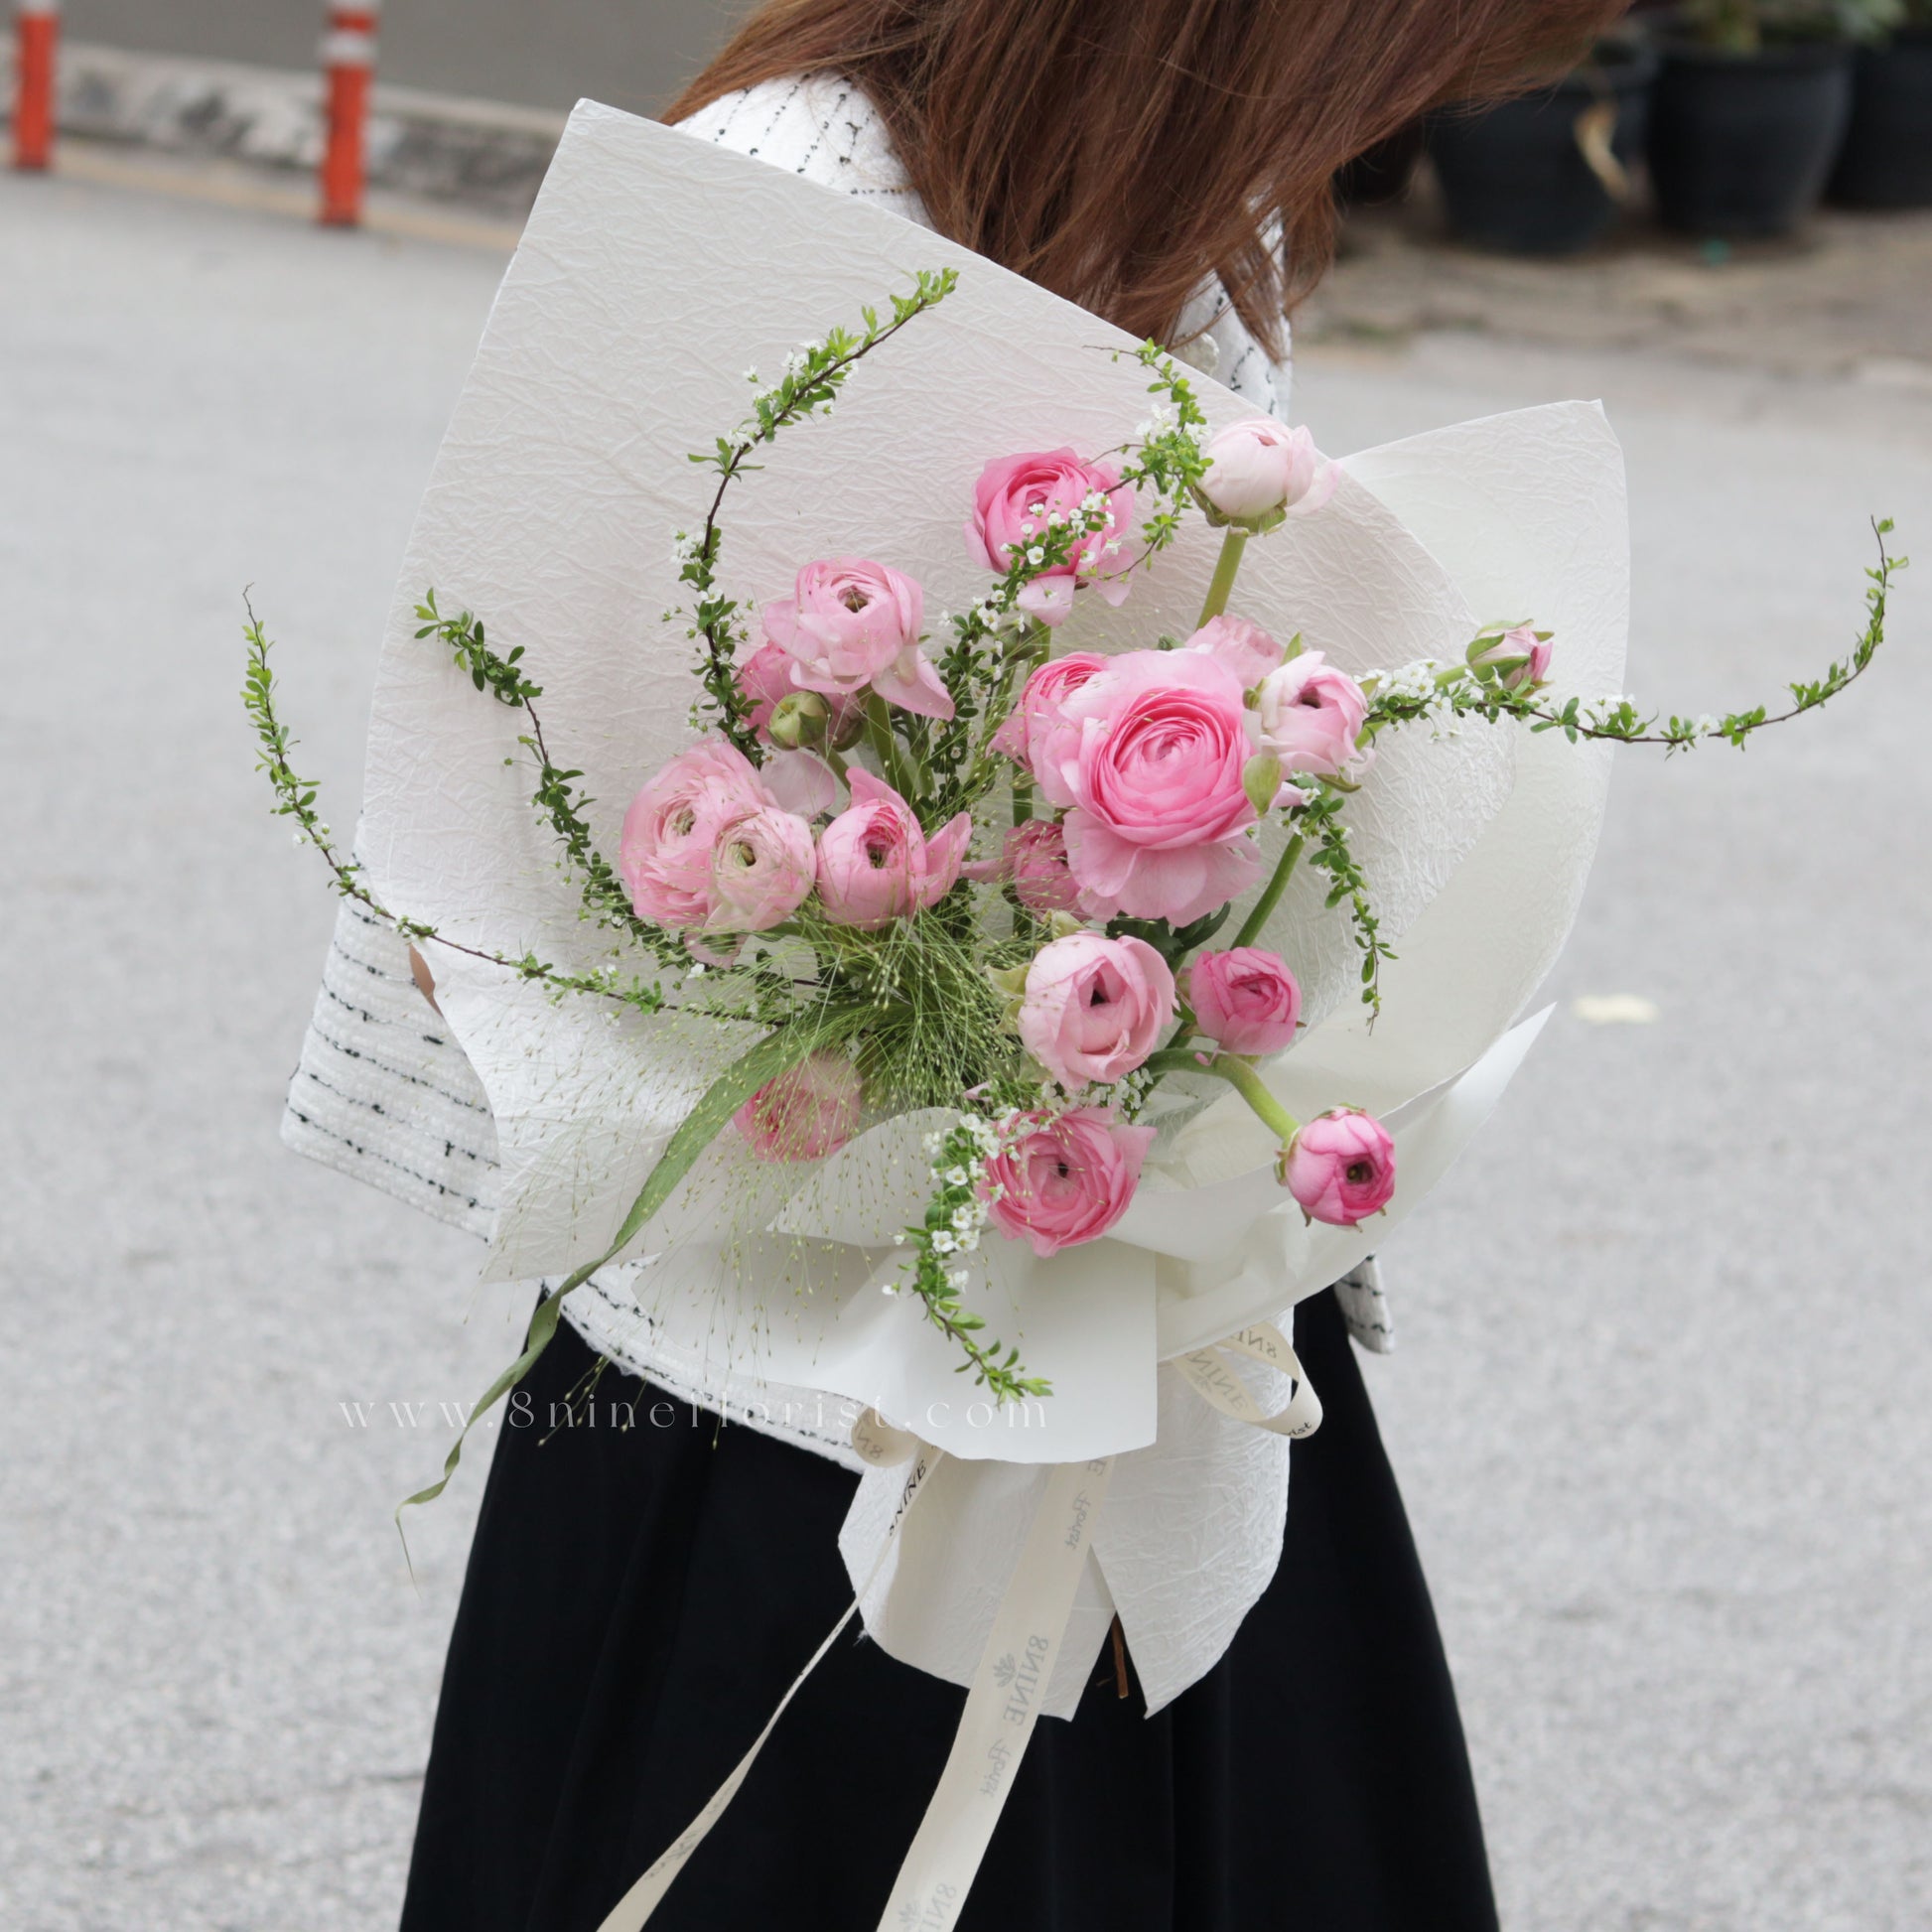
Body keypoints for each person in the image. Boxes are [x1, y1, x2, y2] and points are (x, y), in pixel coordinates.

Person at [284, 2, 1628, 1926]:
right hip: (790, 1381)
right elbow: (494, 880)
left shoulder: (1192, 211)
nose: (1416, 104)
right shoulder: (786, 191)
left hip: (1136, 1292)